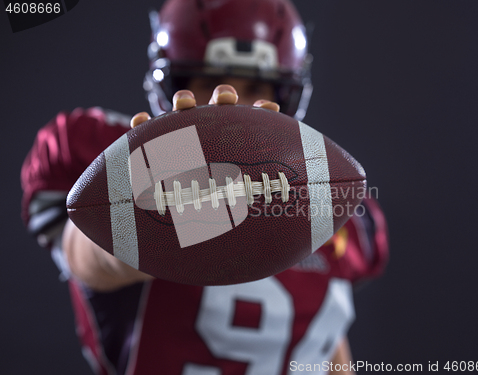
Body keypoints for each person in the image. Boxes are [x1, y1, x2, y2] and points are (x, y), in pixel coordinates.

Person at [21, 0, 388, 374]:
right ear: (174, 86)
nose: (233, 102)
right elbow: (90, 257)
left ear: (285, 95)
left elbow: (326, 343)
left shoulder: (322, 194)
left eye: (257, 86)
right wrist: (170, 188)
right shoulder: (134, 164)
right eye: (210, 82)